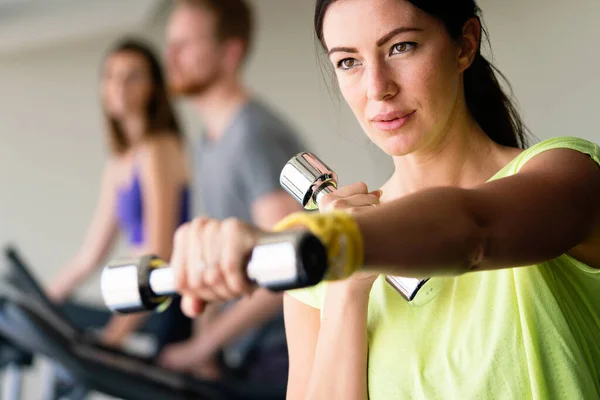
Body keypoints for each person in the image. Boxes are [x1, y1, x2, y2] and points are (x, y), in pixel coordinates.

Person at [166, 0, 600, 399]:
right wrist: (345, 291)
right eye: (349, 62)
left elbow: (474, 231)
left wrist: (334, 241)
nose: (377, 88)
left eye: (401, 47)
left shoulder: (568, 174)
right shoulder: (322, 263)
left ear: (465, 44)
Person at [157, 0, 305, 385]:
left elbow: (287, 263)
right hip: (247, 350)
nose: (170, 55)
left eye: (185, 44)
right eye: (170, 42)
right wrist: (204, 340)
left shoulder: (253, 136)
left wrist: (201, 349)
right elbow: (216, 254)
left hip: (285, 351)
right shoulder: (209, 141)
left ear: (230, 53)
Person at [47, 38, 192, 351]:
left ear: (152, 87)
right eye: (111, 75)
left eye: (132, 76)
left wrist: (115, 334)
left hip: (166, 294)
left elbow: (159, 252)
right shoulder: (119, 163)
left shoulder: (158, 148)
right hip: (140, 289)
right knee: (61, 314)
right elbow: (90, 255)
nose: (119, 85)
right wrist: (43, 303)